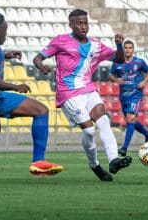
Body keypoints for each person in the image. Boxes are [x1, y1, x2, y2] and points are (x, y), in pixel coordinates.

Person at [0, 12, 63, 186]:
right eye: (5, 30)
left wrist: (7, 55)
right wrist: (15, 86)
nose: (7, 33)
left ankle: (38, 162)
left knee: (41, 110)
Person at [32, 9, 132, 182]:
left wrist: (118, 46)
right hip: (68, 92)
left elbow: (120, 59)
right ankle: (95, 165)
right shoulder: (61, 40)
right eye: (79, 23)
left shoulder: (95, 45)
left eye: (85, 23)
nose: (83, 26)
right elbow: (37, 58)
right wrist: (41, 66)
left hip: (88, 89)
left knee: (103, 119)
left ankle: (114, 159)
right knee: (89, 130)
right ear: (71, 25)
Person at [108, 39, 148, 156]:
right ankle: (147, 133)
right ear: (123, 49)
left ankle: (124, 148)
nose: (128, 50)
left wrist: (144, 82)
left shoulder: (139, 62)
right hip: (123, 96)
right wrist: (116, 79)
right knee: (131, 120)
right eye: (126, 48)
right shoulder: (117, 62)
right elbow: (110, 74)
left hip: (136, 95)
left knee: (130, 117)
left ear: (133, 50)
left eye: (130, 48)